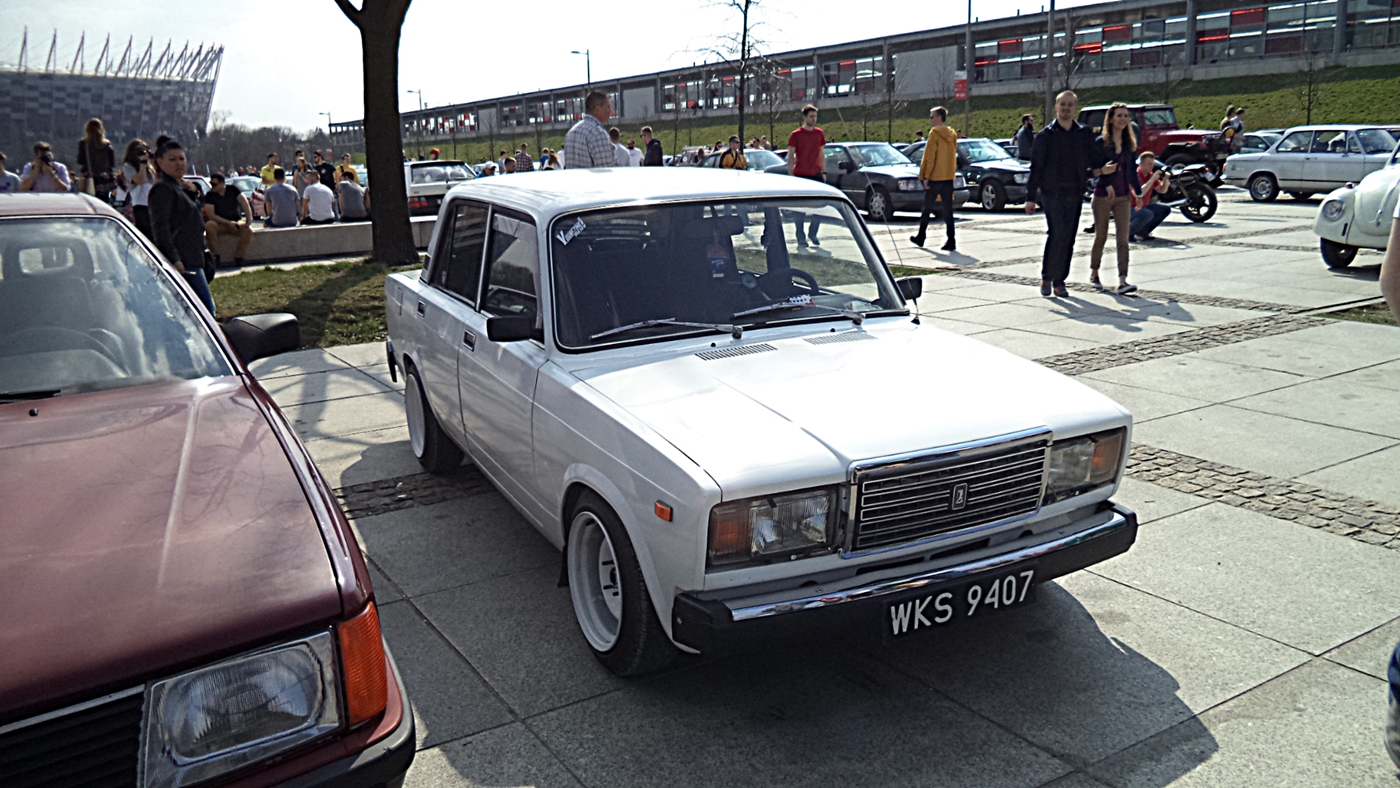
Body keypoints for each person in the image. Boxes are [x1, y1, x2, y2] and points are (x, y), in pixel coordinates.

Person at [1025, 90, 1099, 298]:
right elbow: (1036, 168)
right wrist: (1030, 197)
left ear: (1075, 108)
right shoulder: (1046, 135)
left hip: (1075, 192)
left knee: (1069, 237)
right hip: (1052, 193)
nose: (1066, 108)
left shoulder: (1083, 134)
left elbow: (1096, 157)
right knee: (1056, 233)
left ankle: (1060, 281)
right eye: (1062, 104)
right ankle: (1047, 276)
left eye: (1070, 105)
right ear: (1056, 107)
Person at [148, 140, 215, 314]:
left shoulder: (180, 188)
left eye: (181, 159)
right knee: (205, 312)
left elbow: (193, 215)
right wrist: (174, 258)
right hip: (183, 260)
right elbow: (160, 227)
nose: (179, 163)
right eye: (172, 159)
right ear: (160, 162)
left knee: (197, 311)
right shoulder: (163, 189)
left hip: (193, 256)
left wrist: (193, 193)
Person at [1089, 103, 1140, 295]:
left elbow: (1132, 172)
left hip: (1123, 197)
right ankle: (1094, 272)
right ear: (1110, 119)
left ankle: (1122, 280)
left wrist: (1139, 193)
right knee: (1101, 236)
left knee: (1123, 239)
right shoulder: (1100, 142)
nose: (1123, 119)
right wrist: (1105, 178)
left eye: (1126, 116)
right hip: (1102, 196)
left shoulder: (1129, 144)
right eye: (1119, 115)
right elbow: (1092, 170)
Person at [911, 106, 958, 251]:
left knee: (927, 208)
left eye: (932, 117)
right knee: (947, 210)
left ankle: (921, 236)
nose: (930, 119)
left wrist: (926, 176)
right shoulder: (953, 134)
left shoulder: (934, 133)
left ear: (939, 117)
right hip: (948, 177)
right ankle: (951, 239)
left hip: (935, 176)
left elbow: (930, 157)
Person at [787, 104, 827, 248]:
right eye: (811, 116)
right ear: (805, 117)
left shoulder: (819, 133)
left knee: (820, 206)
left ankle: (813, 233)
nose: (814, 119)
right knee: (800, 209)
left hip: (816, 173)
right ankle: (800, 236)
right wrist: (791, 174)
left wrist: (824, 172)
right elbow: (791, 155)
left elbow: (822, 154)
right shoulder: (796, 135)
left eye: (815, 116)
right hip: (800, 175)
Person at [201, 172, 253, 266]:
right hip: (219, 224)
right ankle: (215, 256)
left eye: (214, 184)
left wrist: (249, 219)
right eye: (211, 184)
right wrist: (228, 223)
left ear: (222, 183)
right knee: (209, 225)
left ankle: (239, 257)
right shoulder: (210, 195)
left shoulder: (232, 189)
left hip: (235, 222)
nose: (212, 186)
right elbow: (211, 215)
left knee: (248, 231)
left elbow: (244, 202)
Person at [565, 91, 617, 169]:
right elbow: (605, 171)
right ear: (598, 109)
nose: (610, 111)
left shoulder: (571, 132)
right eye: (608, 107)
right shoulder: (598, 133)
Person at [1130, 152, 1171, 242]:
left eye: (1152, 164)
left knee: (1165, 209)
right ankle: (1128, 233)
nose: (1151, 166)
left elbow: (1162, 190)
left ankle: (1143, 231)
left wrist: (1165, 180)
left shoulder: (1151, 175)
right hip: (1130, 208)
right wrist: (1152, 179)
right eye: (1148, 164)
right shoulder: (1134, 175)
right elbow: (1139, 193)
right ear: (1140, 164)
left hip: (1144, 206)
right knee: (1147, 213)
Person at [76, 118, 118, 203]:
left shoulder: (84, 144)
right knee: (104, 202)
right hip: (105, 179)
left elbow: (80, 160)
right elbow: (112, 163)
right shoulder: (107, 145)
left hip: (90, 178)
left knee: (88, 201)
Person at [120, 140, 156, 238]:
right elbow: (140, 180)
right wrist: (143, 164)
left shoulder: (149, 168)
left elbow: (154, 181)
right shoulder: (128, 166)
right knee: (146, 234)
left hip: (151, 204)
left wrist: (151, 161)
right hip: (140, 205)